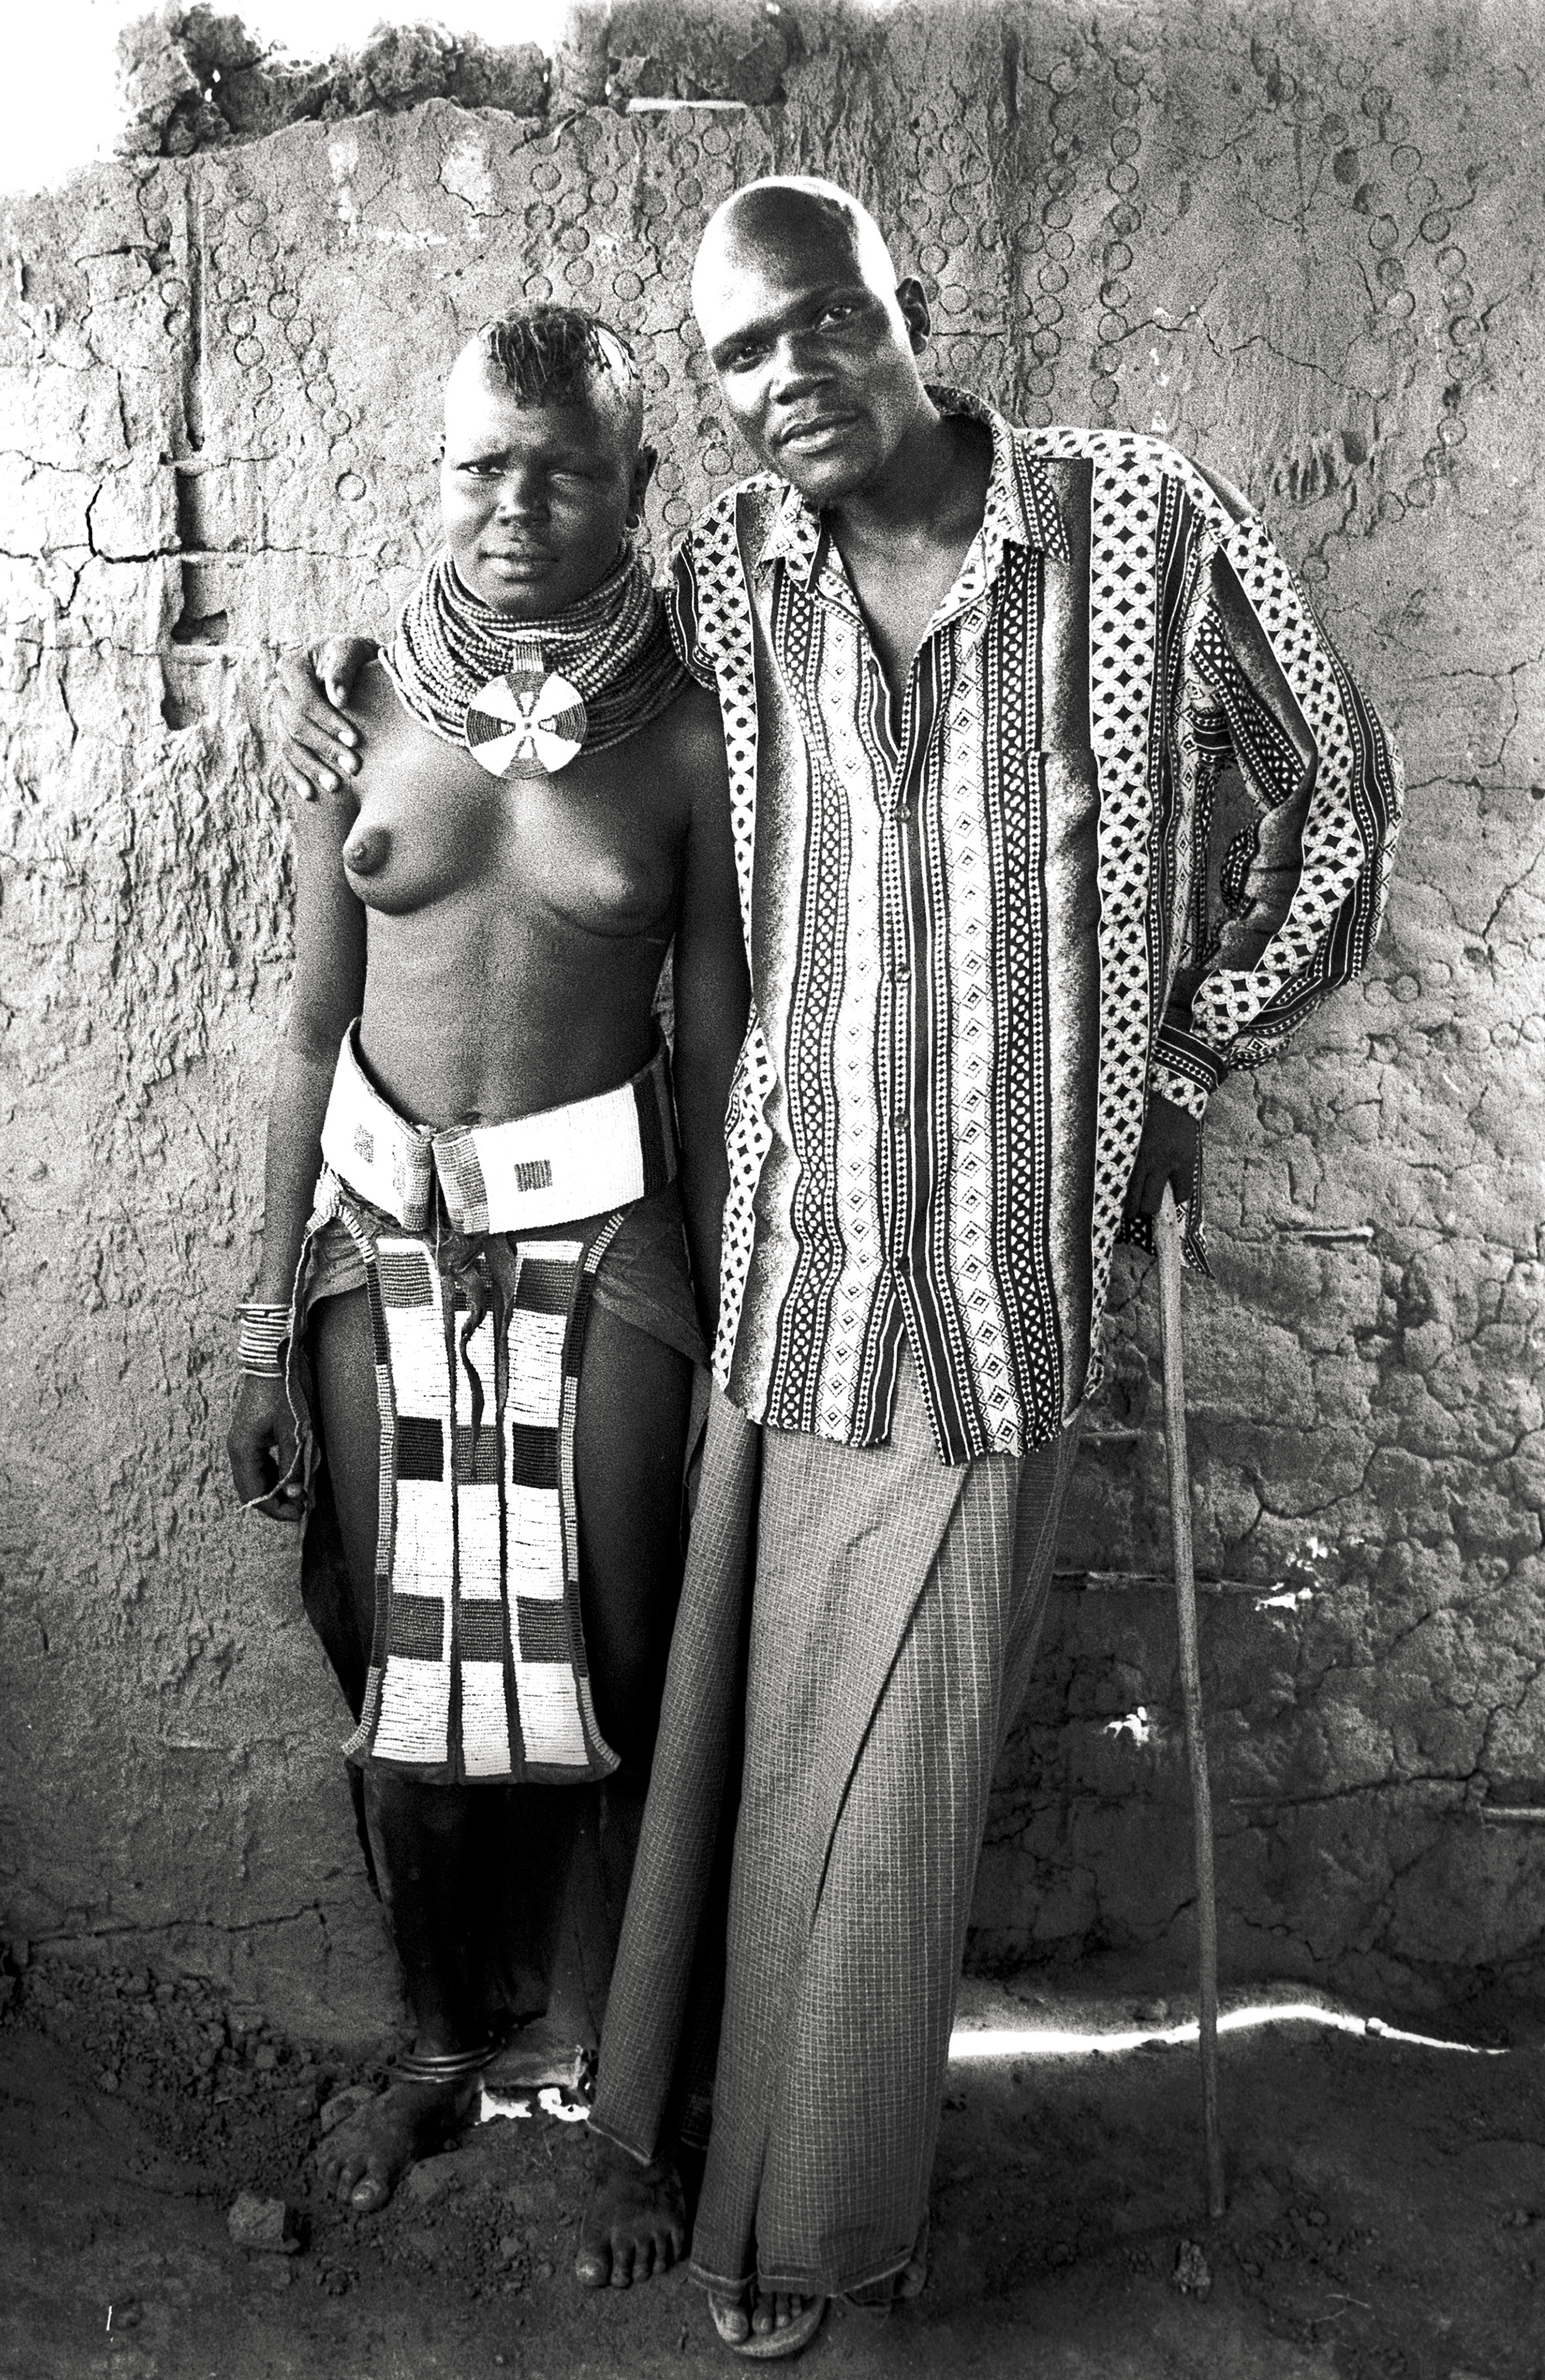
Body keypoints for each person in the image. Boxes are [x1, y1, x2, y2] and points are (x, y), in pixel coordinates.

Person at [278, 182, 1402, 2356]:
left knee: (887, 1770)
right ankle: (647, 2120)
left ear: (917, 308)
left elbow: (1337, 809)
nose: (787, 380)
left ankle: (812, 2228)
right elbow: (536, 675)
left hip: (997, 1271)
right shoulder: (729, 574)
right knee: (736, 1747)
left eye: (819, 327)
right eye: (740, 358)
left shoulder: (1143, 528)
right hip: (783, 1264)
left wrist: (1192, 1032)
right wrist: (345, 690)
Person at [230, 303, 747, 2219]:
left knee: (616, 1666)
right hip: (382, 1246)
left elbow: (712, 1046)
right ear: (435, 469)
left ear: (637, 484)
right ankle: (442, 2052)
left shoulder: (689, 736)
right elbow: (304, 1030)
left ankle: (631, 2104)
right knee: (406, 1670)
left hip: (607, 1243)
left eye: (564, 468)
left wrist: (724, 1310)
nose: (516, 504)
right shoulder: (352, 706)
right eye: (480, 465)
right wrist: (255, 1314)